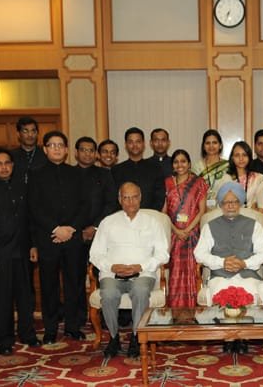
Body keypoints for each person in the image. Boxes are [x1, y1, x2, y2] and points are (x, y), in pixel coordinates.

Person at [90, 182, 170, 358]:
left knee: (140, 291)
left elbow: (163, 254)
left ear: (140, 198)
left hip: (143, 273)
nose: (131, 202)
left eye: (134, 197)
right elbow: (94, 254)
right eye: (126, 197)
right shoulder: (108, 222)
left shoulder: (153, 222)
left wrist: (141, 266)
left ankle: (136, 337)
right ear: (119, 200)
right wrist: (111, 266)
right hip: (112, 273)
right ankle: (113, 337)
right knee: (109, 294)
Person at [194, 182, 263, 353]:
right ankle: (227, 337)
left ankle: (244, 336)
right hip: (220, 275)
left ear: (241, 203)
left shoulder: (254, 225)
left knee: (251, 291)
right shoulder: (210, 226)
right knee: (221, 290)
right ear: (221, 204)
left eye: (235, 201)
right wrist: (221, 262)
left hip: (248, 274)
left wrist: (245, 263)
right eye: (226, 202)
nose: (230, 205)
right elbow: (199, 254)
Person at [0, 148, 41, 355]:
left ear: (13, 165)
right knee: (2, 299)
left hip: (21, 251)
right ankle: (4, 339)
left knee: (25, 296)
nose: (4, 167)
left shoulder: (22, 187)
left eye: (7, 163)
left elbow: (30, 219)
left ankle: (27, 333)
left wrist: (33, 245)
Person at [28, 131, 88, 344]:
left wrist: (71, 228)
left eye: (60, 145)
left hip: (72, 238)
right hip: (48, 239)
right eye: (51, 145)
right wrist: (55, 228)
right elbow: (34, 208)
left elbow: (84, 205)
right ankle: (51, 328)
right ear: (44, 149)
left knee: (74, 284)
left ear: (66, 149)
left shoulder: (77, 174)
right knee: (49, 285)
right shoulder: (35, 174)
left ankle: (72, 326)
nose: (56, 149)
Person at [74, 136, 117, 325]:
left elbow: (111, 203)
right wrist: (79, 229)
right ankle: (78, 319)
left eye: (91, 150)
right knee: (74, 278)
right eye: (83, 150)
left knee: (103, 277)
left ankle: (105, 318)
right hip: (74, 234)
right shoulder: (69, 174)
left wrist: (95, 227)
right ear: (76, 153)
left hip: (100, 234)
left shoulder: (104, 175)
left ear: (95, 154)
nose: (87, 153)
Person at [163, 149, 208, 307]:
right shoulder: (168, 183)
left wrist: (188, 230)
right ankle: (175, 310)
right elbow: (165, 211)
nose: (180, 164)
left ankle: (192, 309)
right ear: (173, 165)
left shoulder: (199, 183)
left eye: (183, 161)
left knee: (191, 271)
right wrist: (176, 230)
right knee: (175, 271)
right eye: (176, 162)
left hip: (192, 234)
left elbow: (202, 210)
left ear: (189, 164)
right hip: (174, 235)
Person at [112, 127, 166, 210]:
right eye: (131, 142)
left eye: (138, 142)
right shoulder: (116, 170)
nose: (135, 145)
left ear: (143, 144)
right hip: (124, 218)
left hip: (149, 217)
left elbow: (159, 197)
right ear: (126, 145)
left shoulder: (155, 169)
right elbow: (114, 198)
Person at [224, 141, 263, 213]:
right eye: (237, 155)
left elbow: (262, 208)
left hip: (252, 219)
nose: (241, 158)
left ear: (249, 157)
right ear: (232, 158)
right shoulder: (226, 179)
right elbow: (222, 205)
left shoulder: (259, 179)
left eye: (244, 155)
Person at [191, 129, 230, 210]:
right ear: (203, 146)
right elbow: (193, 191)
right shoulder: (197, 167)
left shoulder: (228, 166)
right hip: (201, 209)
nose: (211, 146)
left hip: (223, 209)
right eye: (208, 143)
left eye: (214, 143)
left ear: (220, 145)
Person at [10, 116, 47, 185]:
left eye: (33, 131)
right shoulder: (11, 156)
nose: (30, 135)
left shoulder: (45, 153)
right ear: (18, 134)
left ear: (37, 133)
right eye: (25, 131)